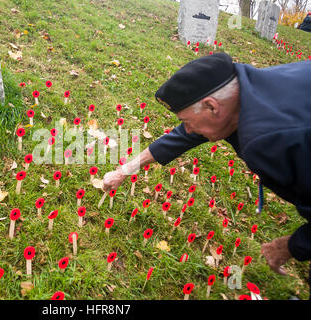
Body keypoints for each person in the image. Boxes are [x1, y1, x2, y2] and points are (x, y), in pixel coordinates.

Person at [103, 53, 311, 297]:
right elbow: (183, 136)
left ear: (212, 106)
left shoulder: (268, 139)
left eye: (187, 121)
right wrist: (123, 171)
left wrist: (289, 246)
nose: (188, 128)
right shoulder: (247, 87)